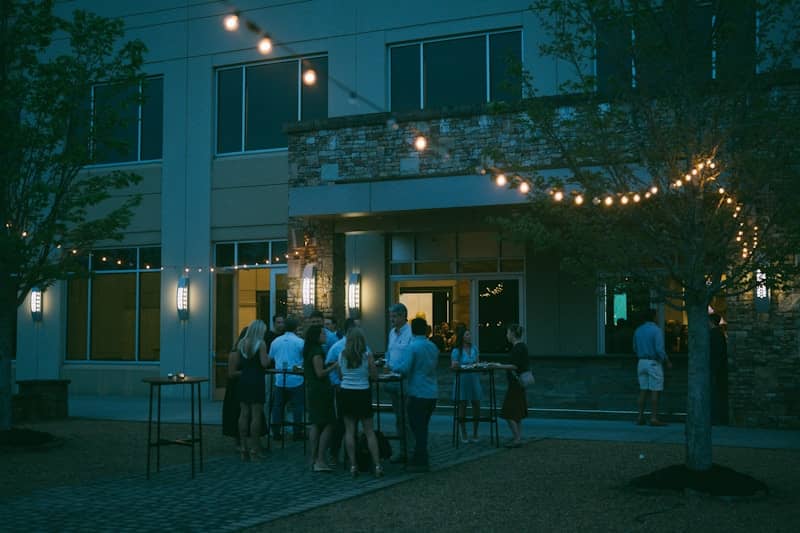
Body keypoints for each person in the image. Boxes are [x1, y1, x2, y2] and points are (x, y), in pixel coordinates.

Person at [391, 317, 439, 472]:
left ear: (412, 330)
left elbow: (405, 368)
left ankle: (420, 459)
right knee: (423, 426)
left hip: (417, 392)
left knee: (416, 427)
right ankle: (422, 456)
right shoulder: (433, 347)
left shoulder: (412, 347)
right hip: (431, 391)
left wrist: (392, 366)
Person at [337, 327, 383, 478]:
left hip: (346, 392)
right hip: (363, 392)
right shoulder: (367, 356)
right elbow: (374, 376)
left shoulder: (341, 355)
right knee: (369, 431)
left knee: (349, 431)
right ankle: (377, 465)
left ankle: (353, 465)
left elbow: (340, 375)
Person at [228, 319, 271, 461]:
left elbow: (239, 363)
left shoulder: (241, 343)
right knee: (256, 415)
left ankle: (243, 448)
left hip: (244, 380)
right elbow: (264, 363)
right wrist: (269, 358)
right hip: (256, 380)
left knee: (244, 413)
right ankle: (254, 449)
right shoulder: (261, 344)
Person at [324, 317, 361, 465]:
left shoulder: (362, 346)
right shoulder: (338, 347)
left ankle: (351, 454)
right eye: (358, 327)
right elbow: (329, 365)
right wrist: (336, 383)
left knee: (355, 422)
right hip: (343, 388)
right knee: (341, 422)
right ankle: (335, 451)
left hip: (358, 388)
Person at [303, 324, 338, 472]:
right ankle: (320, 458)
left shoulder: (309, 350)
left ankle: (313, 458)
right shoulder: (317, 352)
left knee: (316, 424)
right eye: (323, 334)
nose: (326, 336)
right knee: (329, 423)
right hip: (320, 390)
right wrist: (334, 366)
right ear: (316, 336)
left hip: (313, 389)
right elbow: (320, 373)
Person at [268, 317, 306, 441]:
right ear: (296, 328)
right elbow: (304, 358)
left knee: (278, 406)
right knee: (298, 406)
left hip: (280, 378)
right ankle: (297, 431)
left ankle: (276, 431)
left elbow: (271, 358)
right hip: (296, 378)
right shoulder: (300, 342)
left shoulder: (276, 341)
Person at [385, 303, 414, 463]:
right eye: (391, 317)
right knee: (398, 417)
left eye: (394, 317)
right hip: (392, 379)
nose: (392, 320)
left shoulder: (410, 333)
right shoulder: (391, 333)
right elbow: (389, 352)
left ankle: (411, 451)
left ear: (403, 316)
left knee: (407, 418)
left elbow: (409, 357)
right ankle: (402, 451)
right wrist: (386, 364)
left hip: (406, 381)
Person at [634, 309, 672, 426]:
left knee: (643, 389)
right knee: (655, 390)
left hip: (641, 362)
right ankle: (654, 417)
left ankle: (640, 416)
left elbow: (634, 348)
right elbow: (660, 349)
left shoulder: (638, 330)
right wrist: (667, 361)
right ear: (654, 317)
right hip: (653, 362)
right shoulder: (656, 330)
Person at [499, 324, 529, 448]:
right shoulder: (522, 347)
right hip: (518, 384)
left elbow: (515, 366)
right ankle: (518, 437)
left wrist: (499, 366)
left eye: (507, 333)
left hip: (515, 384)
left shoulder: (517, 348)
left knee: (508, 412)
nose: (507, 336)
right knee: (517, 412)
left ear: (512, 333)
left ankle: (517, 439)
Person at [451, 325, 482, 443]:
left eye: (470, 334)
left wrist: (477, 365)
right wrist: (457, 365)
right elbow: (453, 365)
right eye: (467, 334)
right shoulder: (456, 350)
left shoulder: (474, 348)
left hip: (474, 378)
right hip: (463, 379)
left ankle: (475, 433)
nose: (469, 337)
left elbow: (477, 362)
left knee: (476, 404)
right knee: (462, 406)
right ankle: (463, 432)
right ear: (462, 337)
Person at [222, 327, 249, 449]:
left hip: (245, 385)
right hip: (236, 387)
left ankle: (245, 440)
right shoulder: (235, 353)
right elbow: (231, 373)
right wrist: (249, 372)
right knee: (236, 412)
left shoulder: (247, 352)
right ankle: (238, 441)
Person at [709, 313, 729, 425]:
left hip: (715, 369)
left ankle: (716, 417)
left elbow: (716, 353)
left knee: (715, 393)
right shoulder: (719, 334)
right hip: (718, 368)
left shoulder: (713, 335)